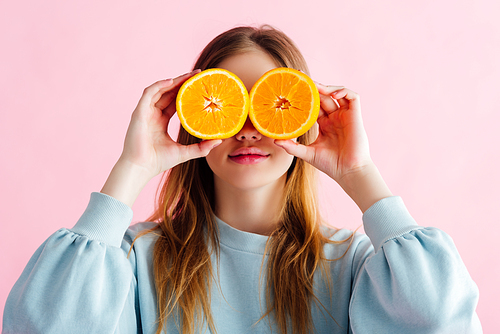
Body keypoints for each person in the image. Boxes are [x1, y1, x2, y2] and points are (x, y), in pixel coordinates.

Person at [2, 25, 482, 334]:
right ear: (192, 120)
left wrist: (360, 175)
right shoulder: (132, 258)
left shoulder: (352, 265)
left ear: (304, 121)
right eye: (225, 105)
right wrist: (131, 169)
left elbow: (442, 323)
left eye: (273, 105)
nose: (249, 128)